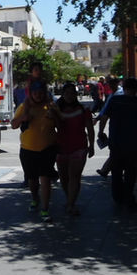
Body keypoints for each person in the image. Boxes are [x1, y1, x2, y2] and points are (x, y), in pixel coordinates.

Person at [97, 77, 137, 209]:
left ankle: (118, 196)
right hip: (133, 144)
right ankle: (129, 196)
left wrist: (101, 132)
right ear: (136, 89)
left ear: (124, 88)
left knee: (117, 172)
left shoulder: (114, 100)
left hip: (116, 143)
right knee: (131, 173)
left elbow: (104, 117)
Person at [11, 80, 60, 222]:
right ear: (31, 94)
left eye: (40, 93)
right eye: (35, 93)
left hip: (47, 149)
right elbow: (13, 125)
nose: (38, 95)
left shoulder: (51, 106)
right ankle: (35, 198)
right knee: (33, 181)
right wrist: (23, 118)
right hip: (28, 149)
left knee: (45, 179)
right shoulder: (24, 107)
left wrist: (55, 116)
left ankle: (45, 209)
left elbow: (61, 126)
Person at [55, 83, 95, 216]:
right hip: (60, 147)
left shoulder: (84, 110)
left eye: (72, 93)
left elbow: (90, 128)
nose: (70, 96)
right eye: (67, 93)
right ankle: (69, 200)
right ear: (63, 94)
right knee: (64, 178)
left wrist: (92, 145)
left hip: (79, 147)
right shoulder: (56, 110)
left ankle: (71, 204)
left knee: (74, 177)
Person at [95, 77, 123, 178]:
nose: (110, 86)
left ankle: (105, 170)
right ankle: (105, 170)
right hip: (117, 127)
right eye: (109, 84)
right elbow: (105, 110)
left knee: (117, 151)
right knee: (120, 151)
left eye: (112, 84)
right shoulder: (112, 94)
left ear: (117, 83)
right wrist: (98, 119)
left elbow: (106, 113)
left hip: (119, 127)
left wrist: (100, 129)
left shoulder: (119, 95)